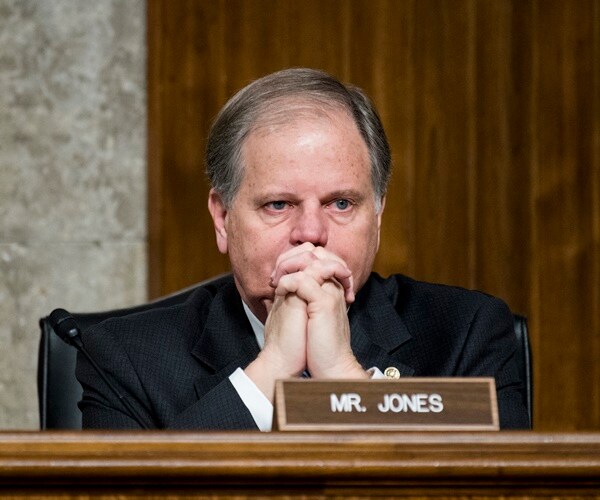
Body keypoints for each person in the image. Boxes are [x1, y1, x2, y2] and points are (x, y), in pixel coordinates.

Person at [77, 68, 529, 430]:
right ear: (222, 217)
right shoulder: (125, 358)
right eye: (278, 204)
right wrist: (272, 370)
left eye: (341, 203)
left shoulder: (466, 333)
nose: (311, 233)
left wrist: (343, 378)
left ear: (378, 215)